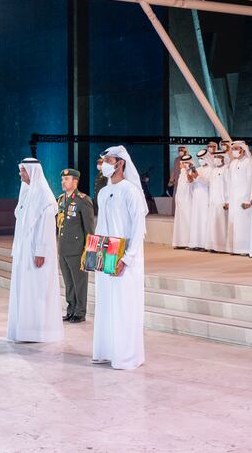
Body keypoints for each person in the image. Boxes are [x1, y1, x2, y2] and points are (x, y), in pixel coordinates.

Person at [92, 145, 147, 370]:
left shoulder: (130, 190)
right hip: (105, 256)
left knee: (124, 306)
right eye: (103, 160)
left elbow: (138, 228)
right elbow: (101, 226)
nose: (103, 164)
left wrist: (127, 258)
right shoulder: (104, 192)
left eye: (108, 159)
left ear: (120, 163)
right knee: (106, 304)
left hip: (125, 259)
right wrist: (95, 255)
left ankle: (126, 356)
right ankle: (107, 351)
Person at [6, 158, 64, 342]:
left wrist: (40, 251)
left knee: (36, 290)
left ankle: (38, 331)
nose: (20, 174)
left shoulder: (43, 194)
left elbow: (46, 227)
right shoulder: (26, 192)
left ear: (32, 171)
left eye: (23, 170)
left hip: (36, 252)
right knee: (24, 290)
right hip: (23, 251)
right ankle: (24, 330)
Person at [56, 168, 95, 323]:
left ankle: (80, 311)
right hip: (63, 248)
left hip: (78, 249)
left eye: (66, 179)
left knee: (79, 283)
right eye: (62, 180)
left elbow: (89, 228)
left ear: (75, 181)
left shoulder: (83, 200)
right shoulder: (60, 199)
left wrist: (89, 250)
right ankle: (71, 309)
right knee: (68, 282)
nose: (63, 182)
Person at [227, 141, 252, 255]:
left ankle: (244, 249)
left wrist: (248, 200)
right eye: (233, 149)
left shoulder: (248, 163)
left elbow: (250, 182)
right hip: (233, 198)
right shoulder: (232, 163)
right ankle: (235, 248)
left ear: (243, 150)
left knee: (243, 223)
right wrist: (228, 199)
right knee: (234, 222)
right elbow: (229, 182)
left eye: (237, 148)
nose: (234, 151)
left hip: (243, 198)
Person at [205, 150, 230, 253]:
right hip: (213, 200)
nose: (216, 159)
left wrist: (227, 201)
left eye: (219, 156)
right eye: (215, 156)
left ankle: (222, 246)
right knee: (213, 223)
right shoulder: (213, 170)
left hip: (221, 201)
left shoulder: (226, 169)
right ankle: (214, 245)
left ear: (223, 158)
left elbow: (228, 186)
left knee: (221, 224)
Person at [188, 149, 211, 251]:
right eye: (199, 159)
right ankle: (195, 243)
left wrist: (198, 177)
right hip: (197, 197)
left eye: (202, 158)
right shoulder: (198, 168)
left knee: (204, 219)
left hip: (205, 196)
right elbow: (192, 183)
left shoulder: (211, 169)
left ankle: (204, 244)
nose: (201, 160)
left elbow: (208, 183)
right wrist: (191, 178)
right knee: (196, 219)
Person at [172, 154, 193, 248]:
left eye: (185, 162)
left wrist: (187, 169)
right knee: (180, 222)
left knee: (187, 220)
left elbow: (191, 181)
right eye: (182, 162)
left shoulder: (191, 171)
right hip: (180, 201)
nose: (182, 164)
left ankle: (188, 242)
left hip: (188, 201)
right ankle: (179, 242)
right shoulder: (181, 173)